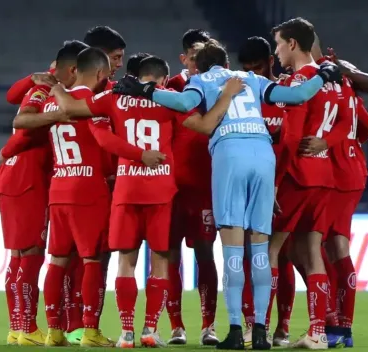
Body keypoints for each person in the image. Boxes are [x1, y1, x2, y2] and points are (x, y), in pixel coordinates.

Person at [113, 39, 342, 350]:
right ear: (226, 61)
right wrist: (324, 74)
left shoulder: (200, 81)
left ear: (201, 65)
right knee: (260, 249)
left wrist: (146, 90)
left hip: (230, 154)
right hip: (263, 156)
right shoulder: (254, 79)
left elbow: (182, 105)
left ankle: (236, 329)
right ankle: (260, 330)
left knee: (233, 249)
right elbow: (299, 94)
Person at [49, 55, 232, 348]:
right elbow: (206, 125)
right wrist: (227, 96)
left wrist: (56, 87)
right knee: (160, 261)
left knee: (125, 262)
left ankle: (126, 333)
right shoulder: (170, 99)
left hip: (126, 189)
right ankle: (149, 329)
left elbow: (70, 107)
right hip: (160, 190)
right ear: (161, 80)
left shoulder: (114, 96)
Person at [0, 39, 89, 346]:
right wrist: (56, 115)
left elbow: (13, 98)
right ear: (71, 70)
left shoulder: (38, 88)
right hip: (29, 179)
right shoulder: (48, 92)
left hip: (13, 178)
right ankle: (27, 327)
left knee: (18, 255)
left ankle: (17, 326)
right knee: (32, 253)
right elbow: (21, 122)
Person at [269, 18, 352, 349]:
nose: (275, 51)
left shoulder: (302, 81)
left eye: (277, 44)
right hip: (324, 177)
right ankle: (319, 332)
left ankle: (260, 327)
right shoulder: (335, 78)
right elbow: (349, 121)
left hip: (297, 175)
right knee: (312, 252)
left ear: (291, 44)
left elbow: (290, 139)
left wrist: (274, 182)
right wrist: (327, 143)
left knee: (270, 249)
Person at [298, 37, 368, 348]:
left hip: (333, 172)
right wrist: (350, 148)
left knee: (322, 247)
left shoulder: (316, 79)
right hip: (352, 169)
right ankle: (340, 327)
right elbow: (367, 126)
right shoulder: (343, 80)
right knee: (330, 247)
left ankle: (333, 323)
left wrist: (333, 145)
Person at [237, 36, 295, 348]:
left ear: (270, 62)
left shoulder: (285, 91)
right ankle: (253, 323)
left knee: (283, 255)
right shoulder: (240, 95)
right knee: (250, 254)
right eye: (247, 69)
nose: (253, 75)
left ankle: (282, 327)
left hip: (285, 183)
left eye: (258, 67)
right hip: (250, 182)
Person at [166, 29, 219, 346]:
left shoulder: (221, 86)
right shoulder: (170, 87)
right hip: (172, 186)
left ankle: (208, 325)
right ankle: (176, 326)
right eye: (196, 55)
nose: (201, 61)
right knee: (170, 255)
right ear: (184, 58)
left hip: (204, 185)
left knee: (205, 254)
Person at [6, 26, 127, 105]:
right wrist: (31, 79)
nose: (120, 64)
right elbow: (12, 97)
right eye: (115, 58)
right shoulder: (59, 78)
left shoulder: (107, 86)